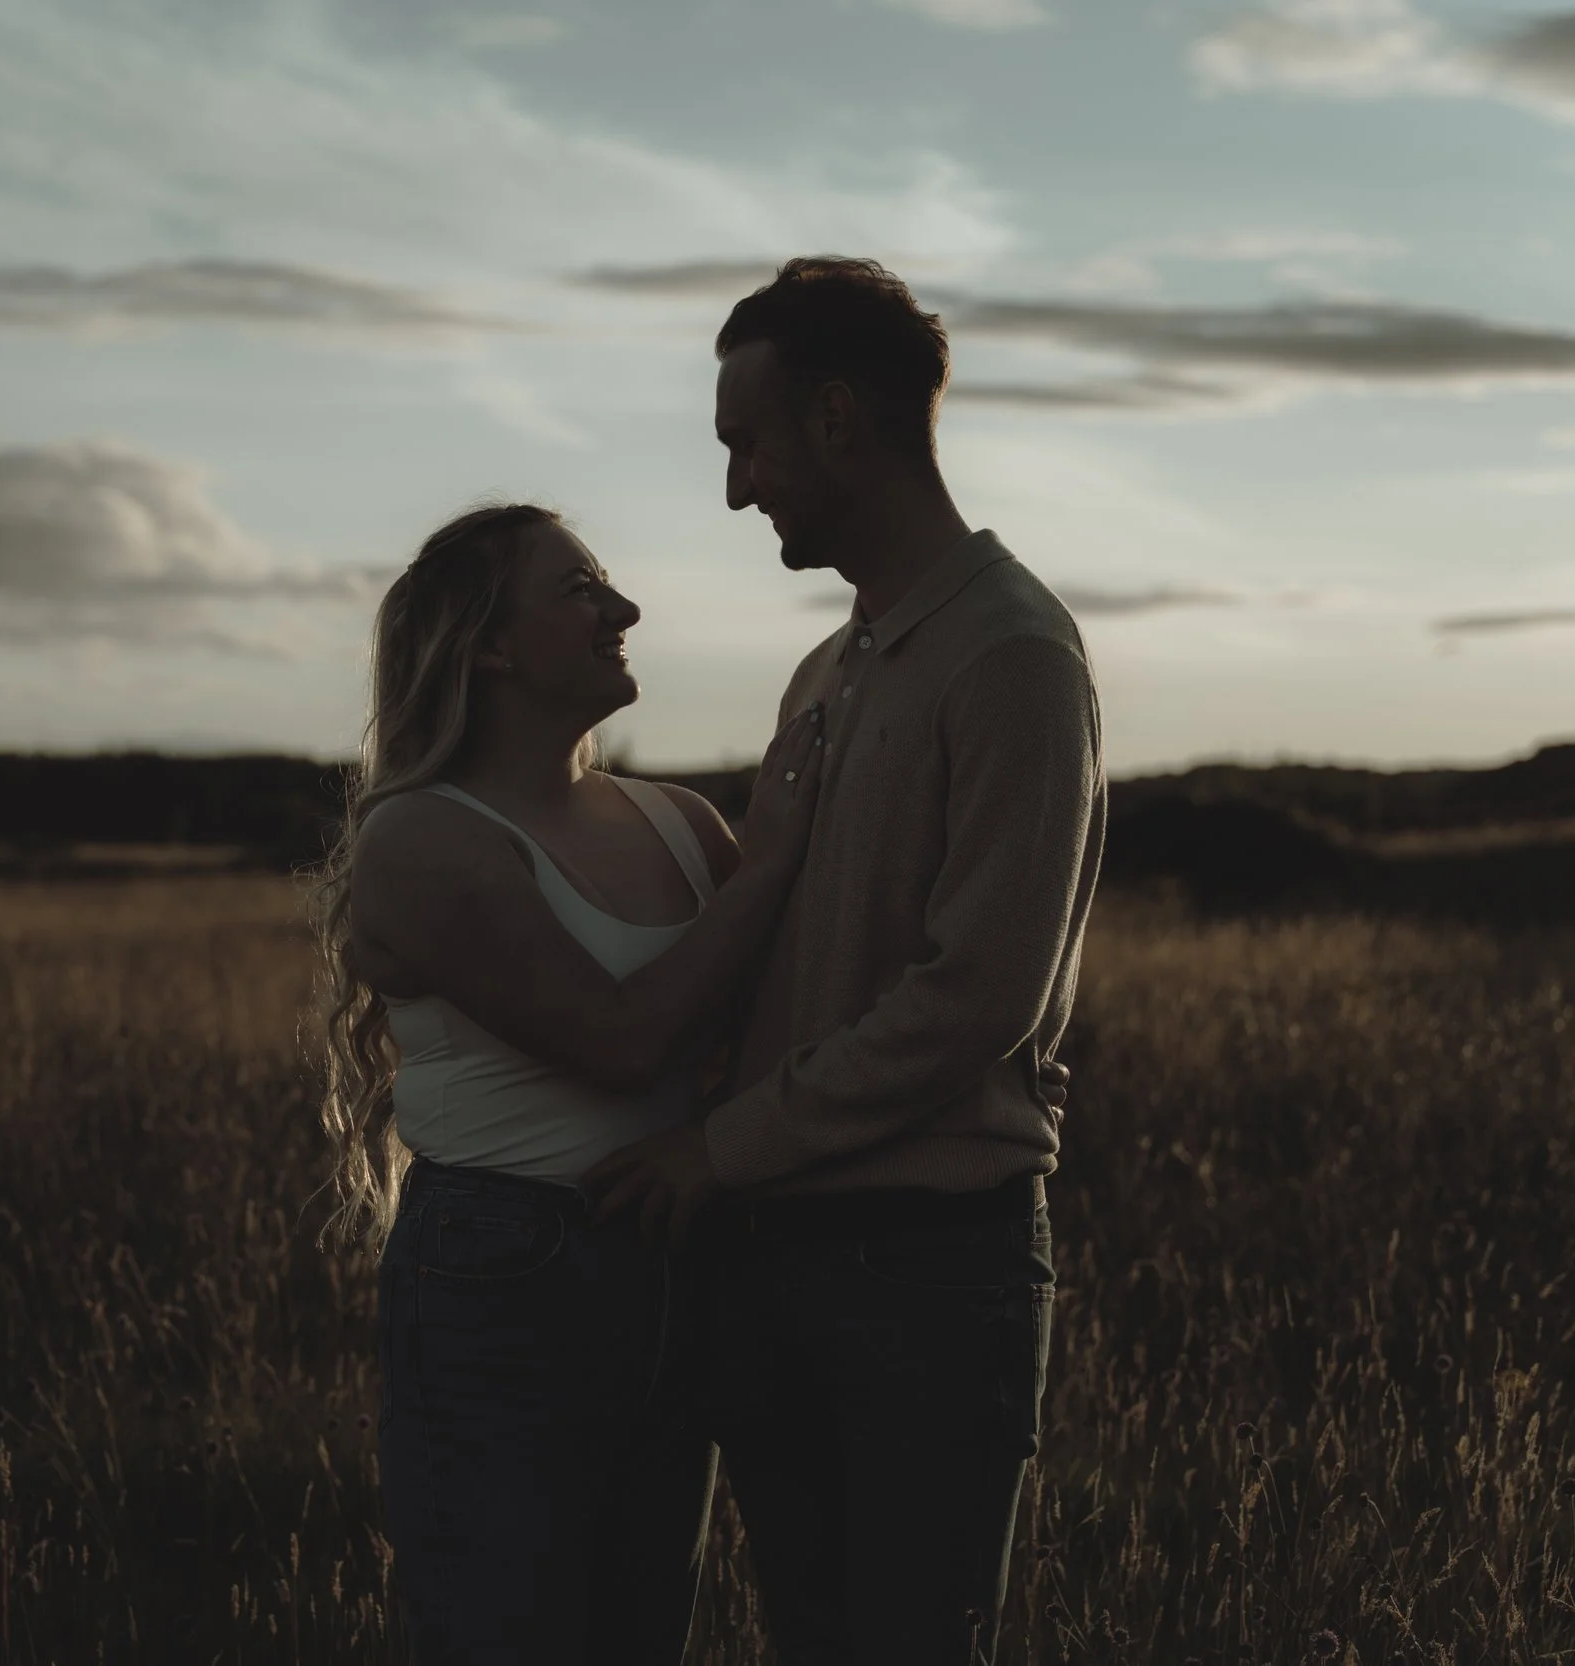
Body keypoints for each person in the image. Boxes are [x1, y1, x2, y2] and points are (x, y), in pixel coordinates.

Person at [583, 257, 1109, 1665]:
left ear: (833, 419)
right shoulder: (826, 674)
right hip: (779, 1253)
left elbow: (973, 1002)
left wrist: (722, 1146)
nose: (740, 489)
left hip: (926, 1273)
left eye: (745, 444)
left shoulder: (1011, 654)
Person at [310, 500, 828, 1665]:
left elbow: (771, 1029)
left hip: (679, 1255)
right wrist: (781, 854)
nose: (624, 609)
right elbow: (621, 1040)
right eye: (580, 589)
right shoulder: (421, 838)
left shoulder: (683, 823)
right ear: (488, 646)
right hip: (505, 1271)